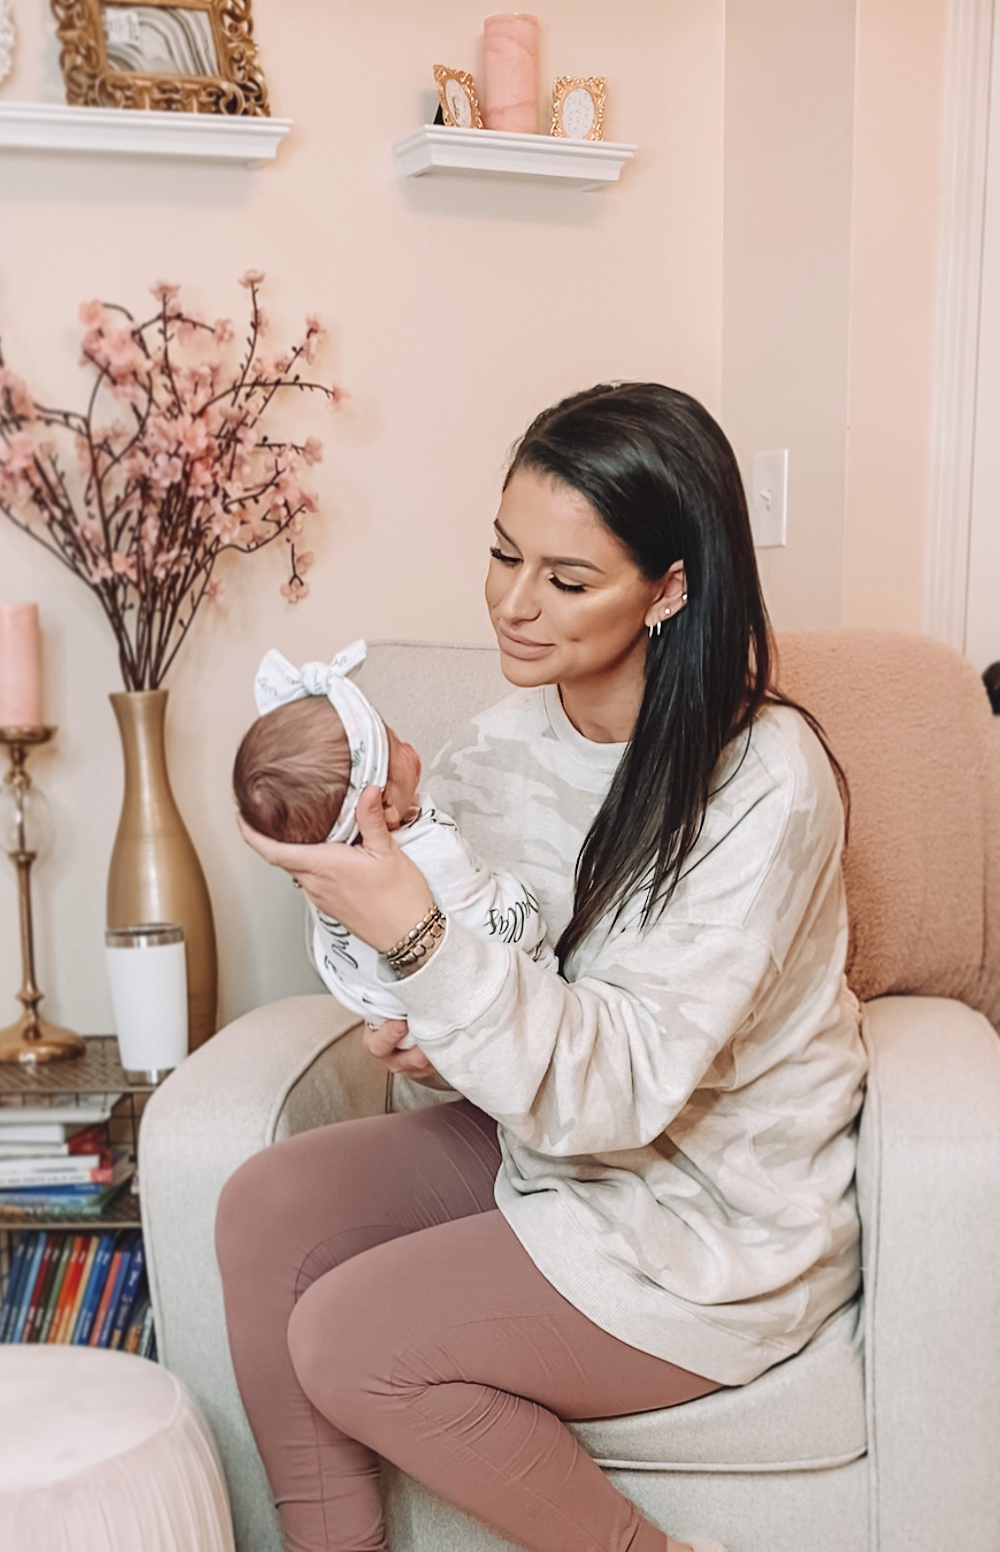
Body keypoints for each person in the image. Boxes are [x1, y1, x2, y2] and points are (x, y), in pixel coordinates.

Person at [215, 382, 867, 1552]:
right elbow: (496, 1000)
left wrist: (420, 940)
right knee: (265, 1211)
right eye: (504, 554)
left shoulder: (763, 783)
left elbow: (622, 1085)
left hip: (702, 1214)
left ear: (670, 589)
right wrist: (429, 1035)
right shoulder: (492, 751)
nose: (513, 605)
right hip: (545, 1150)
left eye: (566, 579)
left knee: (351, 1339)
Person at [232, 640, 549, 1037]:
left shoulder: (329, 876)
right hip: (472, 1013)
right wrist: (522, 900)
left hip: (379, 1009)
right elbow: (494, 925)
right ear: (380, 807)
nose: (409, 746)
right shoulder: (431, 853)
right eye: (395, 743)